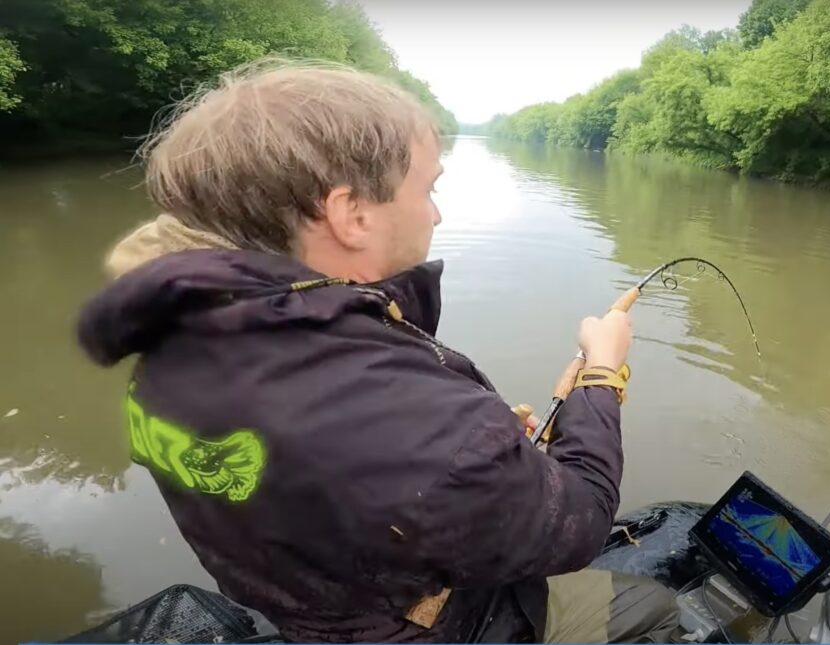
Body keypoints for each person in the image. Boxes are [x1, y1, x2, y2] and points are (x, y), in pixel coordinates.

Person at [76, 59, 679, 643]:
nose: (436, 212)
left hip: (314, 609)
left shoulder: (171, 343)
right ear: (352, 214)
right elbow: (581, 523)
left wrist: (478, 462)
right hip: (438, 629)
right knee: (654, 606)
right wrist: (602, 373)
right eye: (428, 187)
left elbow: (322, 476)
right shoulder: (409, 424)